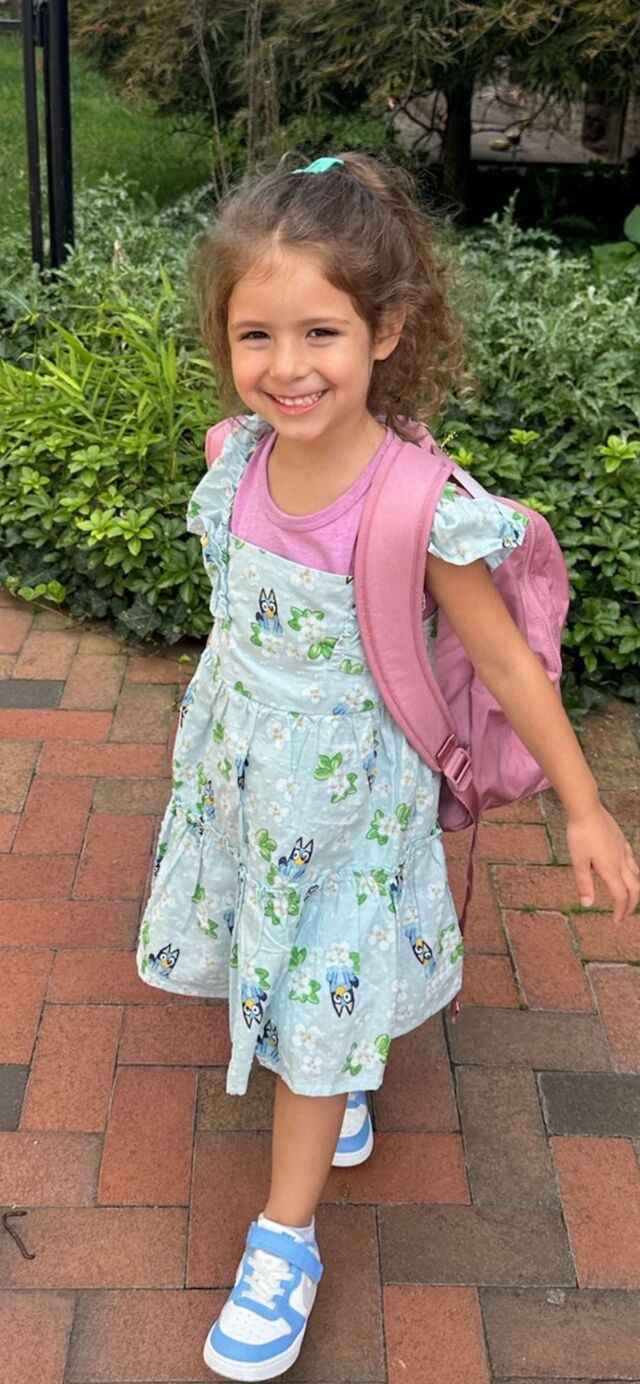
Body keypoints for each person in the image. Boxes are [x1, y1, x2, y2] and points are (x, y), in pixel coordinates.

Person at [135, 153, 639, 1382]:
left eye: (321, 331)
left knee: (317, 992)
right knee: (293, 964)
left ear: (387, 329)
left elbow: (508, 665)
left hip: (353, 805)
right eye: (255, 334)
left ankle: (284, 1237)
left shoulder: (416, 506)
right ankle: (342, 1067)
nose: (287, 366)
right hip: (245, 784)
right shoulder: (234, 458)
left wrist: (585, 807)